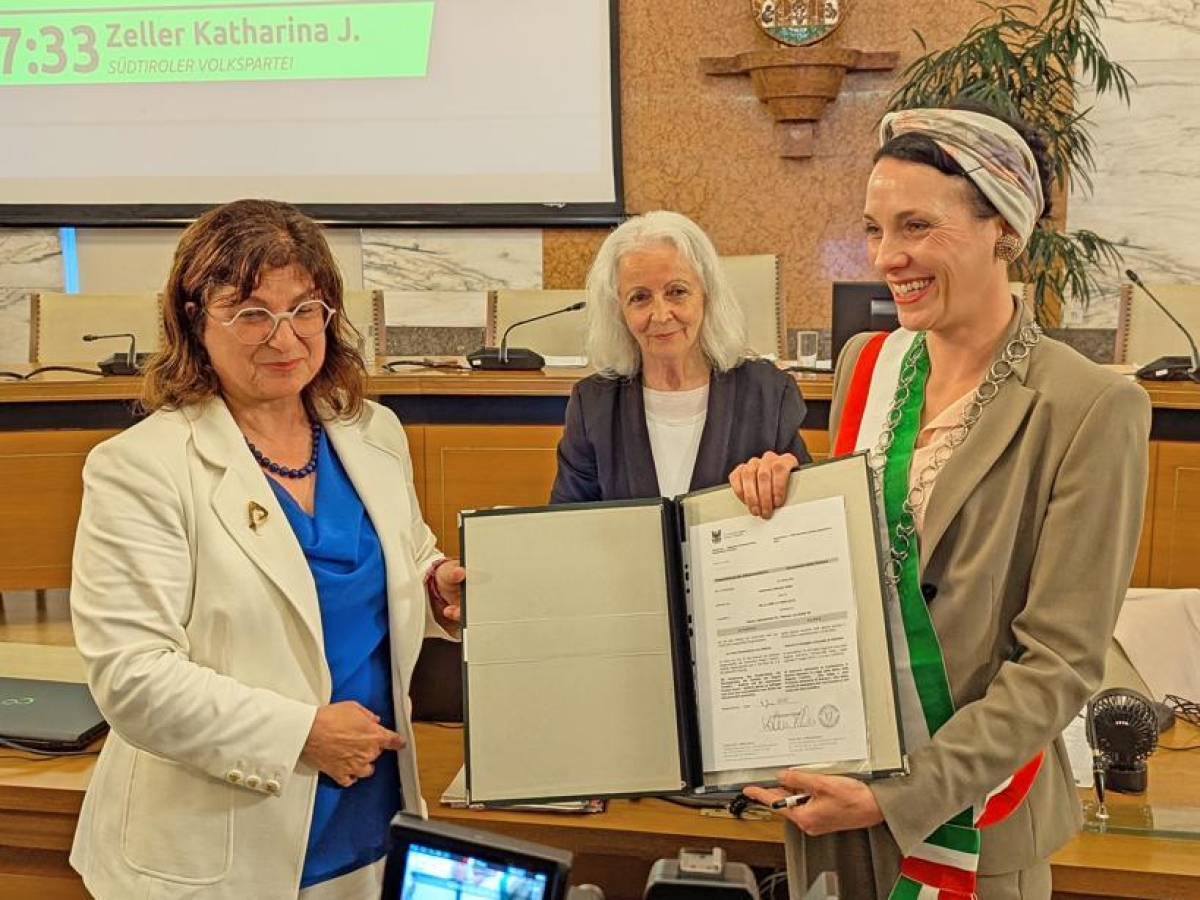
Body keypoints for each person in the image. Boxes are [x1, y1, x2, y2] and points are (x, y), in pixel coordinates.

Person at [734, 106, 1150, 898]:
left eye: (917, 225)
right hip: (831, 787)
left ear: (1004, 228)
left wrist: (898, 795)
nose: (888, 257)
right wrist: (781, 500)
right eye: (875, 228)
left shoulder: (1090, 407)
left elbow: (1058, 664)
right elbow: (857, 563)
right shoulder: (867, 365)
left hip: (968, 820)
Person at [68, 199, 466, 900]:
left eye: (305, 309)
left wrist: (434, 582)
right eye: (251, 312)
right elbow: (132, 677)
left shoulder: (371, 431)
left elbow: (407, 548)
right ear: (195, 320)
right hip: (215, 845)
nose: (284, 338)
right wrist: (300, 734)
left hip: (368, 819)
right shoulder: (141, 466)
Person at [551, 210, 810, 505]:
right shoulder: (593, 405)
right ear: (619, 312)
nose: (661, 315)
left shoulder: (769, 394)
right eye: (639, 297)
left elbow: (806, 512)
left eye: (677, 291)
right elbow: (568, 524)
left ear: (707, 296)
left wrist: (784, 482)